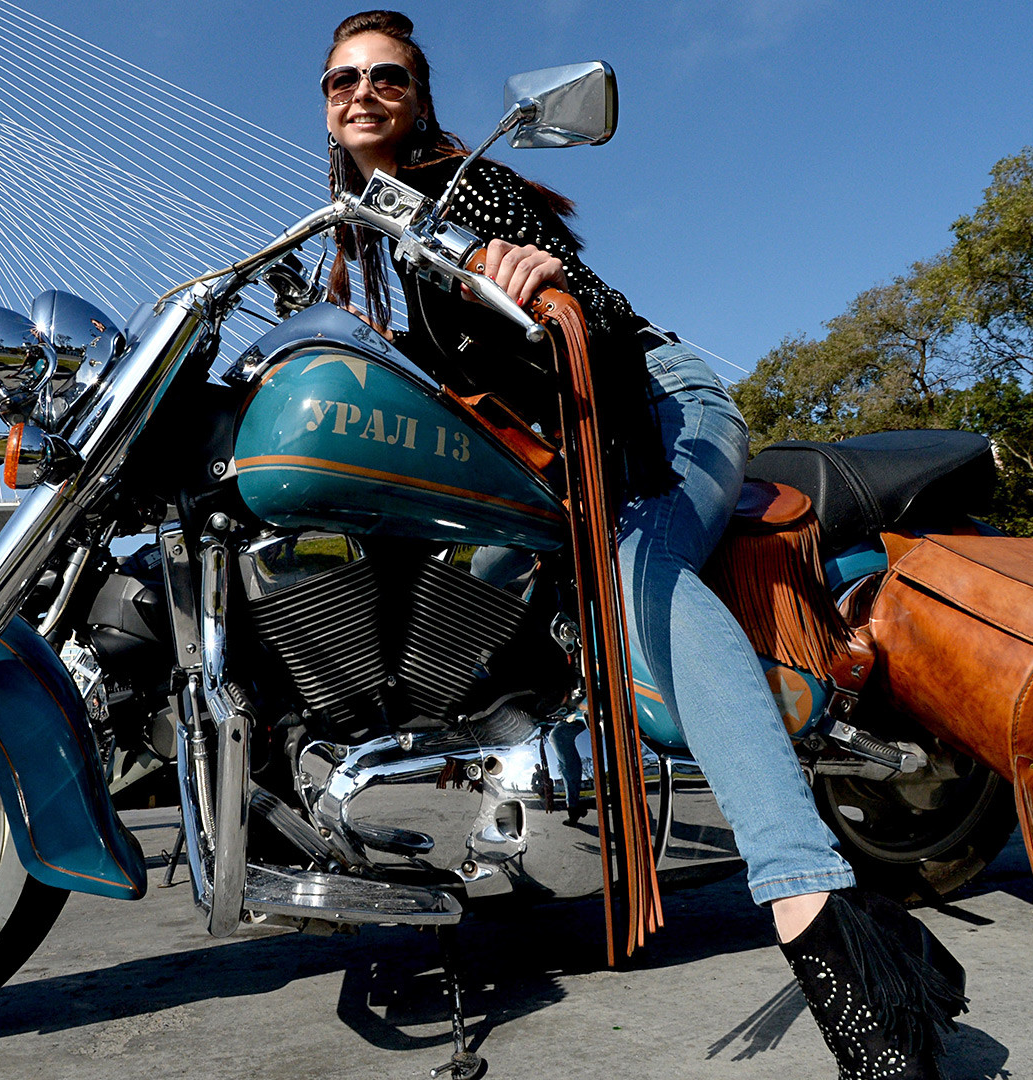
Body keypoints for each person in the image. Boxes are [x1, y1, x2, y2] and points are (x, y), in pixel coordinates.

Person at [316, 12, 969, 1077]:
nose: (365, 91)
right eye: (344, 78)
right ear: (327, 100)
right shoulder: (364, 249)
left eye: (388, 74)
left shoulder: (464, 183)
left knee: (639, 569)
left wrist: (526, 264)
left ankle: (817, 911)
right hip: (556, 464)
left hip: (663, 416)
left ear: (420, 96)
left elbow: (581, 294)